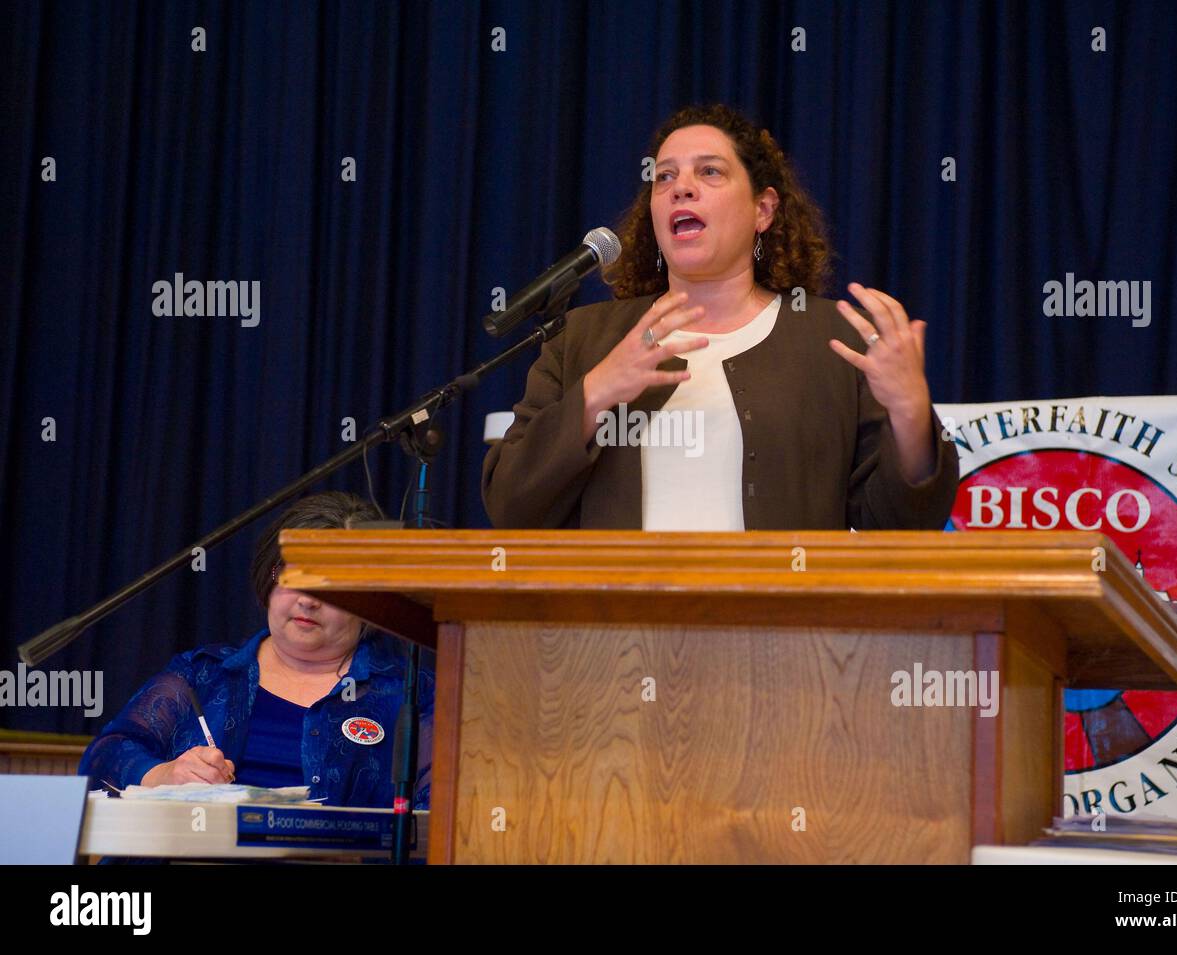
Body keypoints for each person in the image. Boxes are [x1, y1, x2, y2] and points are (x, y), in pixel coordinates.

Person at [482, 103, 959, 530]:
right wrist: (596, 392)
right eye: (664, 177)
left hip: (782, 605)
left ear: (763, 210)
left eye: (709, 172)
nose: (681, 188)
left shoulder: (834, 339)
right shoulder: (582, 339)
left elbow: (901, 523)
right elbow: (511, 506)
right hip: (619, 606)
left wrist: (910, 414)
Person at [79, 491, 435, 809]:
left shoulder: (412, 694)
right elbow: (101, 759)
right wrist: (162, 775)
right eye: (295, 575)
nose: (308, 600)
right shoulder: (201, 674)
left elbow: (437, 811)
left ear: (372, 600)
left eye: (332, 585)